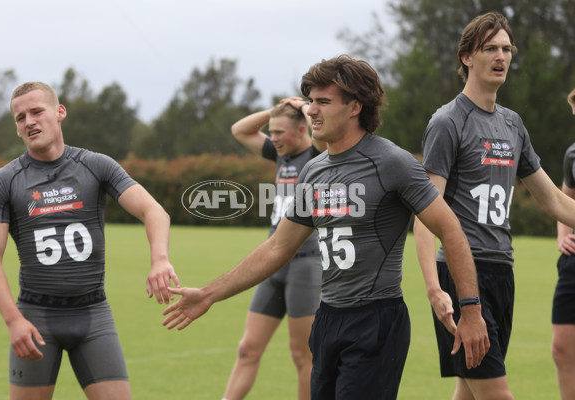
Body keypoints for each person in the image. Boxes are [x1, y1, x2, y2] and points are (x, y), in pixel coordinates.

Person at [162, 55, 489, 400]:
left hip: (375, 321)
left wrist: (471, 309)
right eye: (310, 101)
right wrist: (210, 294)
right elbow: (278, 247)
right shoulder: (313, 171)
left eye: (322, 102)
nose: (312, 110)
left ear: (354, 107)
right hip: (328, 318)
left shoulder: (393, 163)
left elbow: (451, 230)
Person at [0, 81, 179, 400]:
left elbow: (154, 211)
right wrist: (13, 321)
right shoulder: (5, 181)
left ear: (59, 113)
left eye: (36, 111)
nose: (29, 121)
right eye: (20, 117)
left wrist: (160, 259)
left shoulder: (95, 165)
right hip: (34, 318)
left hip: (93, 316)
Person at [413, 12, 575, 400]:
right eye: (490, 48)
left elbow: (552, 199)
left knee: (469, 393)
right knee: (496, 394)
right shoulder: (448, 122)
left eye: (506, 48)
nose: (501, 56)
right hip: (463, 277)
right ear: (467, 57)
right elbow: (424, 212)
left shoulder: (513, 124)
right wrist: (435, 289)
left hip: (503, 272)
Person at [222, 98, 325, 400]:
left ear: (302, 130)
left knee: (301, 355)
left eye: (281, 132)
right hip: (272, 263)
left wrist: (304, 106)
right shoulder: (281, 155)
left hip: (306, 264)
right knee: (247, 348)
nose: (274, 138)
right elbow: (240, 130)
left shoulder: (317, 154)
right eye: (272, 132)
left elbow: (321, 132)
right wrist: (277, 111)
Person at [553, 87, 575, 399]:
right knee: (562, 349)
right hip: (572, 266)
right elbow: (563, 198)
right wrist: (563, 237)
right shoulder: (573, 153)